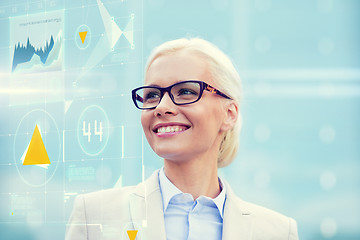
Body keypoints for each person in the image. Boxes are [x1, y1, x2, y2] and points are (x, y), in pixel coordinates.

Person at [65, 38, 299, 240]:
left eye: (186, 91)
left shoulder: (277, 232)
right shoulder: (93, 216)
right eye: (152, 95)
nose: (162, 107)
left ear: (229, 114)